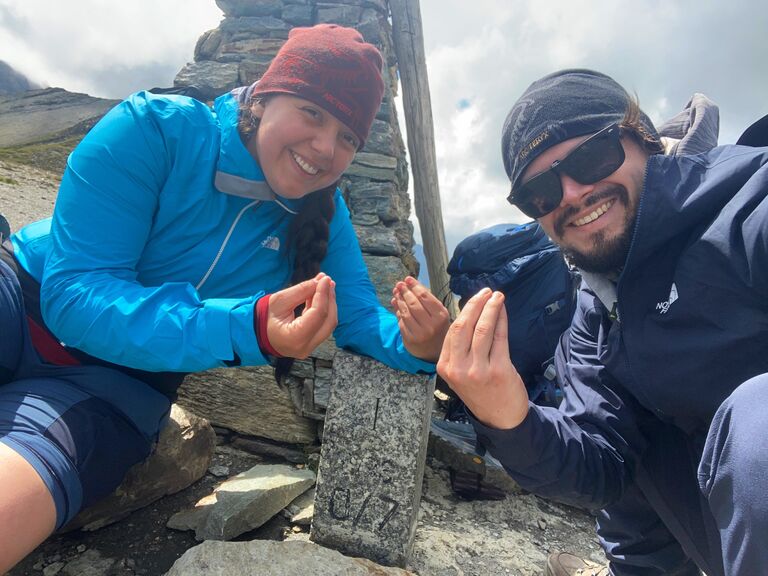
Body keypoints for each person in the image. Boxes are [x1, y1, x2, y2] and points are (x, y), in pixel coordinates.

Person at [0, 24, 449, 571]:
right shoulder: (155, 130)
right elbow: (72, 297)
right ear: (263, 95)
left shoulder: (324, 216)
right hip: (19, 296)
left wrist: (422, 346)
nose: (327, 147)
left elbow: (359, 320)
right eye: (313, 112)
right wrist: (247, 329)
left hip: (113, 389)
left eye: (349, 137)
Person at [436, 69, 768, 576]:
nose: (570, 193)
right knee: (640, 438)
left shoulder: (746, 207)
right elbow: (604, 467)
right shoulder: (593, 317)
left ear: (646, 140)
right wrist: (511, 418)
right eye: (541, 192)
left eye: (592, 157)